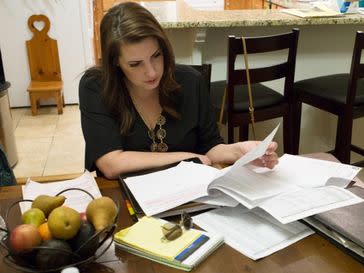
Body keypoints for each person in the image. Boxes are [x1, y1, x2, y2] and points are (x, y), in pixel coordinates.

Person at [79, 2, 278, 179]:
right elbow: (111, 164)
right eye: (135, 64)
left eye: (156, 55)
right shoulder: (96, 86)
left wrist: (240, 151)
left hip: (187, 196)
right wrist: (185, 158)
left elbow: (210, 148)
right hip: (127, 200)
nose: (151, 71)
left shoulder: (191, 81)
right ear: (115, 63)